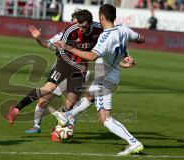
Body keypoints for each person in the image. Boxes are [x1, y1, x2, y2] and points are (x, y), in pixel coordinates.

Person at [51, 4, 145, 155]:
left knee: (105, 118)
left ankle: (134, 143)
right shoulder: (124, 29)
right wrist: (124, 55)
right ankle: (67, 115)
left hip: (105, 78)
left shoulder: (105, 36)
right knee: (89, 95)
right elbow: (141, 39)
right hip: (112, 73)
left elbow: (92, 56)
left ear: (101, 17)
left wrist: (68, 48)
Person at [6, 10, 104, 131]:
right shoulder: (71, 30)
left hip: (81, 68)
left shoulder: (100, 29)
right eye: (77, 25)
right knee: (48, 89)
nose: (80, 29)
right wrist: (38, 38)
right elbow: (59, 50)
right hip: (64, 63)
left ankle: (59, 129)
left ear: (90, 23)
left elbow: (114, 39)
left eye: (83, 26)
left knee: (70, 103)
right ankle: (17, 108)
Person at [23, 10, 81, 134]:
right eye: (74, 21)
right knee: (44, 99)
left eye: (78, 22)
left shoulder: (90, 34)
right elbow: (48, 45)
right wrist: (38, 39)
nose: (75, 24)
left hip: (77, 73)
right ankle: (36, 126)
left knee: (70, 104)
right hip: (60, 70)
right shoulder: (64, 34)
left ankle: (67, 129)